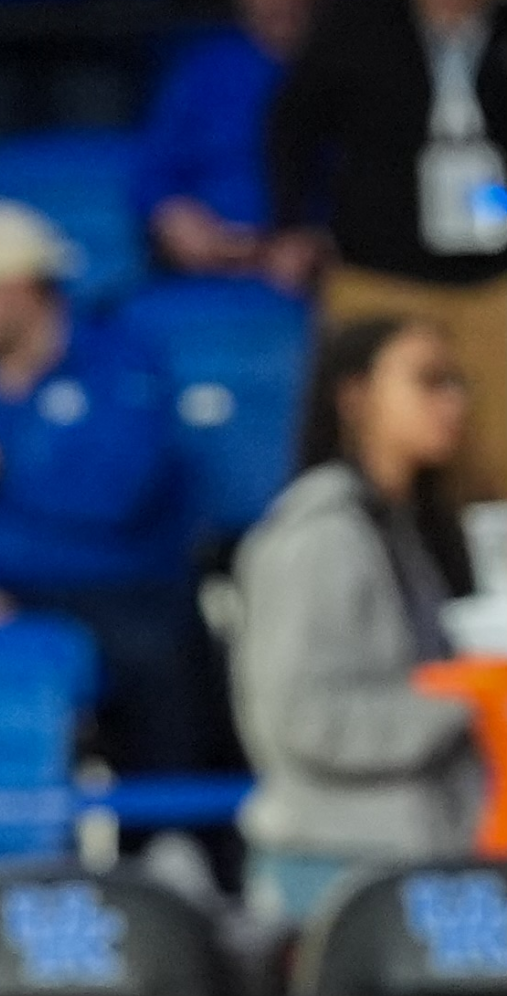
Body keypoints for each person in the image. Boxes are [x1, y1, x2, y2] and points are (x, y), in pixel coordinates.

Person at [0, 201, 202, 773]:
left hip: (120, 593)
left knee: (160, 660)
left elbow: (118, 494)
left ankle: (171, 818)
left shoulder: (120, 359)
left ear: (21, 288)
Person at [231, 316, 479, 924]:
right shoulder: (318, 537)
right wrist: (466, 700)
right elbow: (302, 718)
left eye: (456, 383)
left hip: (412, 859)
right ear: (355, 395)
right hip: (330, 871)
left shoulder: (406, 528)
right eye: (428, 381)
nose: (452, 403)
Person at [269, 0, 507, 496]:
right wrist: (292, 225)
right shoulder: (361, 24)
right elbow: (291, 124)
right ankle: (365, 538)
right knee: (368, 450)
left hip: (496, 282)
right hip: (379, 274)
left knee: (496, 451)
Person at [138, 0, 322, 278]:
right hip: (207, 273)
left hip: (322, 278)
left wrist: (323, 243)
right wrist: (173, 218)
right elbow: (153, 179)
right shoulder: (203, 70)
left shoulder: (359, 70)